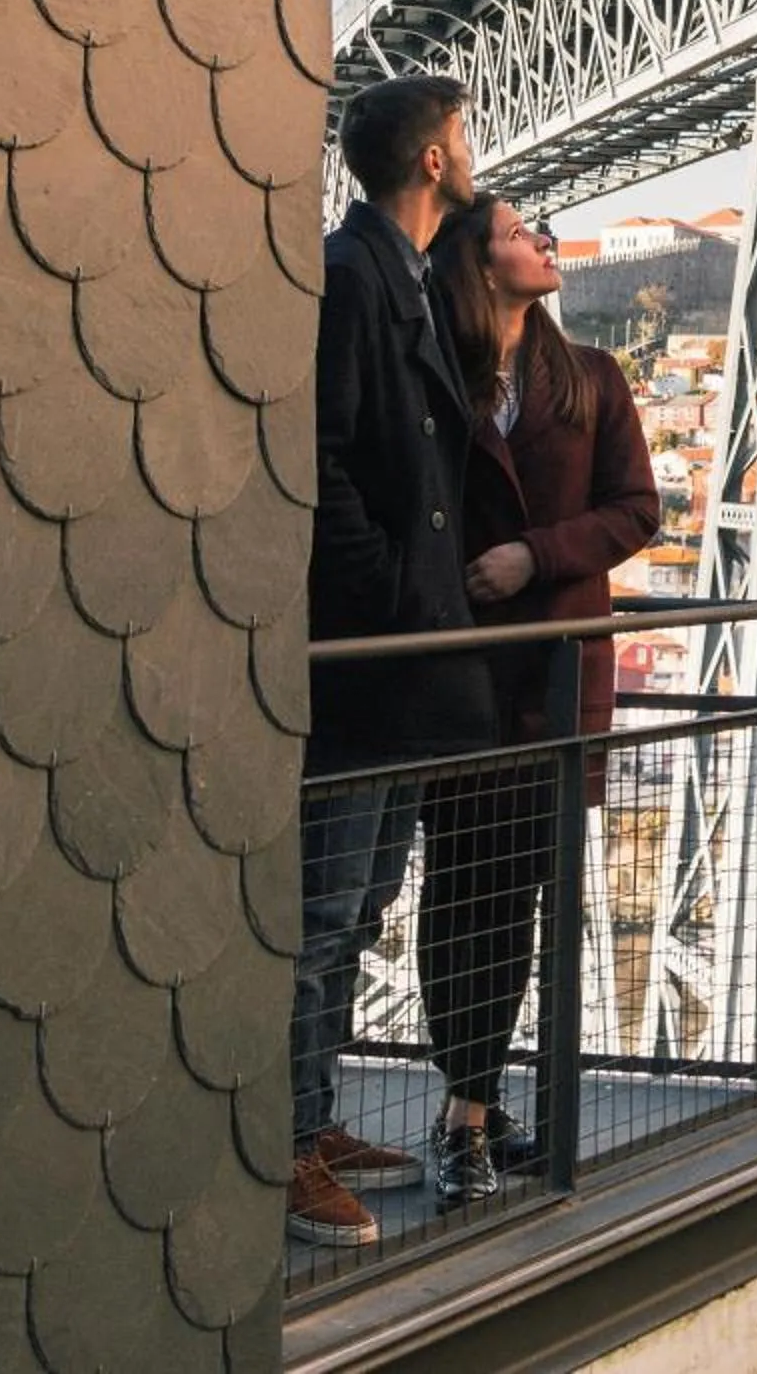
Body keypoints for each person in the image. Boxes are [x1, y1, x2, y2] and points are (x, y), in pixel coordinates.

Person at [289, 78, 500, 1253]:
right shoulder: (347, 274)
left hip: (404, 656)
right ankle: (278, 1150)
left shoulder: (402, 273)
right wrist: (382, 595)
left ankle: (309, 1122)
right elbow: (321, 459)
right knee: (321, 915)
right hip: (369, 653)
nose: (472, 155)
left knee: (360, 910)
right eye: (462, 137)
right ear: (429, 159)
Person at [418, 194, 662, 1205]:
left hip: (557, 677)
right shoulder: (434, 376)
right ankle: (467, 1106)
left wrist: (537, 555)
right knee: (458, 894)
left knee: (515, 896)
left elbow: (639, 509)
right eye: (524, 235)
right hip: (457, 674)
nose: (546, 244)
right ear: (479, 265)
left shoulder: (592, 377)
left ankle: (470, 1110)